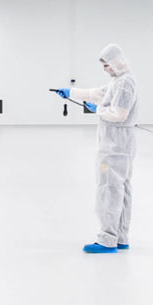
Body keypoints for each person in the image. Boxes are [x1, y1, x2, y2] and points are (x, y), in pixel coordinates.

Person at [56, 43, 138, 254]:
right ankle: (120, 238)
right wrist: (71, 92)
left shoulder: (124, 83)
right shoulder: (119, 81)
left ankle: (107, 240)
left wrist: (98, 111)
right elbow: (96, 94)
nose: (105, 69)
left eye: (107, 64)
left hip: (114, 147)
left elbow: (119, 114)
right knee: (121, 189)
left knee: (108, 189)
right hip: (119, 145)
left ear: (116, 61)